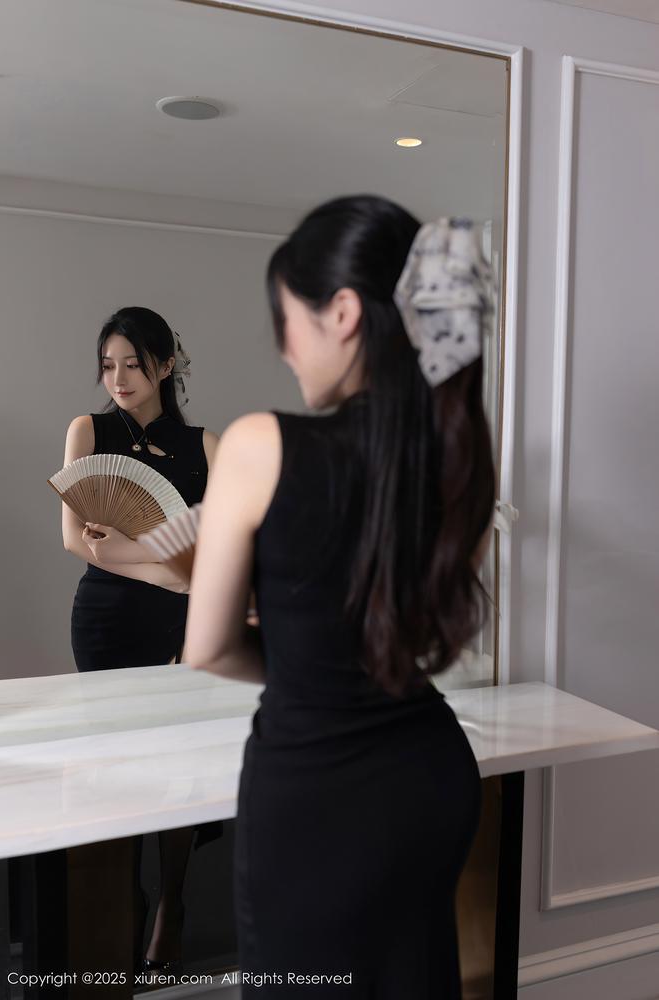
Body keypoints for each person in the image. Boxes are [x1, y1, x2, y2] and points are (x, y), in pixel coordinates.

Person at [184, 195, 496, 998]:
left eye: (285, 321)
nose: (284, 349)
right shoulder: (457, 454)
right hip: (431, 779)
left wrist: (298, 654)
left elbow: (207, 647)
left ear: (344, 313)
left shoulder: (259, 444)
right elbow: (409, 634)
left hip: (316, 797)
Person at [60, 306, 219, 972]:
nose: (118, 378)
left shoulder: (206, 446)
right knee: (114, 765)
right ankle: (124, 894)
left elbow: (212, 547)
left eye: (132, 364)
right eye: (108, 365)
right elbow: (76, 540)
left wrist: (138, 554)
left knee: (179, 767)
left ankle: (171, 903)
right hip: (105, 619)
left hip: (181, 621)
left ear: (165, 365)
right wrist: (161, 570)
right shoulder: (88, 430)